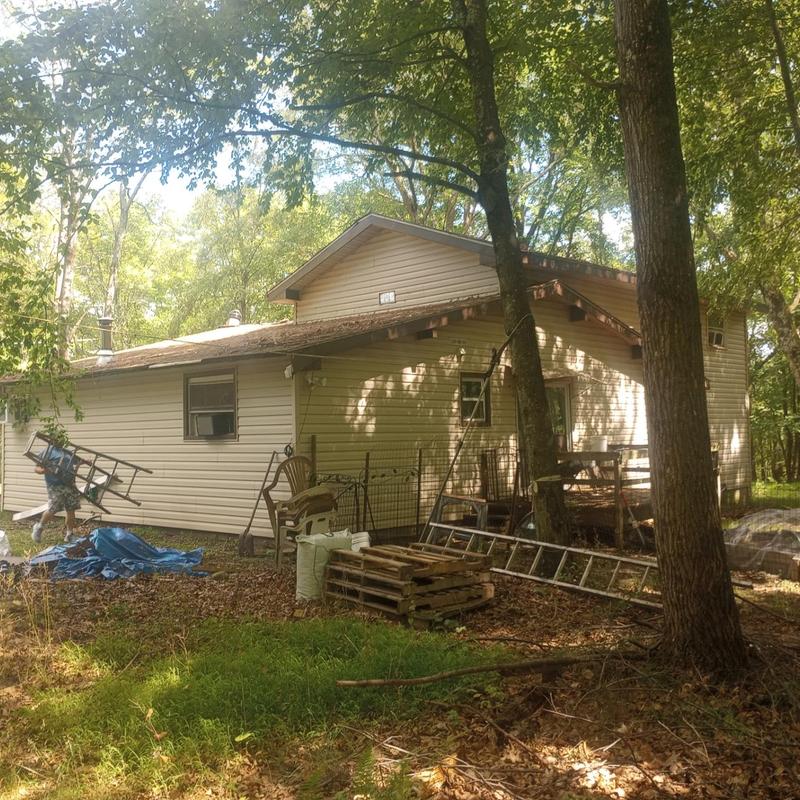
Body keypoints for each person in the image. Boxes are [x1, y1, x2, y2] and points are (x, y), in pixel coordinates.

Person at [31, 445, 82, 544]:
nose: (60, 440)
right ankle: (39, 527)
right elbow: (37, 468)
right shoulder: (48, 451)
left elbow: (76, 462)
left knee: (71, 509)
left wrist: (84, 462)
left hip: (69, 484)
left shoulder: (66, 451)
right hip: (55, 485)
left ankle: (69, 534)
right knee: (53, 508)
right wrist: (43, 470)